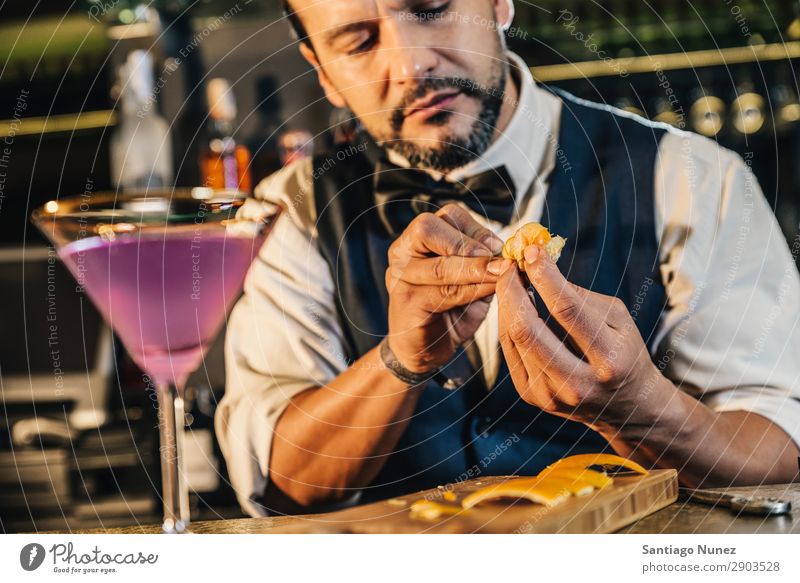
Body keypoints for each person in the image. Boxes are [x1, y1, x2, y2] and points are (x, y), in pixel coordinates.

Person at [216, 0, 800, 517]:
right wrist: (399, 361)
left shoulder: (697, 181)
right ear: (326, 75)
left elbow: (782, 448)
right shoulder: (289, 210)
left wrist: (640, 407)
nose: (411, 63)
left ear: (499, 3)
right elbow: (282, 478)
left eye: (429, 9)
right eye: (359, 42)